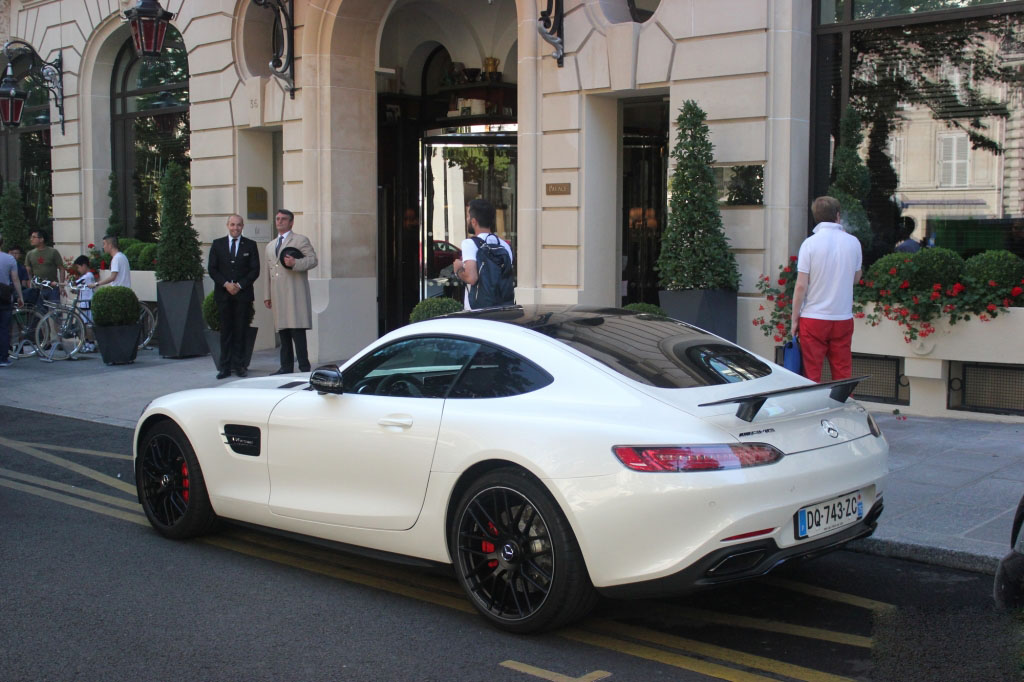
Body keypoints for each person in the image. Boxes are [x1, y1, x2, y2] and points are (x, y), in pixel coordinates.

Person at [790, 196, 863, 383]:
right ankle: (844, 407)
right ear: (838, 216)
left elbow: (800, 286)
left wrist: (794, 319)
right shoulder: (853, 242)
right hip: (842, 317)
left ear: (816, 217)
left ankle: (813, 409)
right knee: (842, 372)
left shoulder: (810, 244)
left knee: (811, 375)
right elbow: (856, 278)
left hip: (813, 317)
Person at [264, 209, 318, 374]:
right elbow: (268, 271)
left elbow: (313, 260)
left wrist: (295, 262)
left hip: (295, 293)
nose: (279, 221)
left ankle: (304, 367)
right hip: (278, 294)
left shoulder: (300, 240)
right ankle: (285, 367)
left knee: (297, 333)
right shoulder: (270, 245)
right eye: (278, 218)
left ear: (291, 222)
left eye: (283, 219)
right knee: (283, 333)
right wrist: (267, 295)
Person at [209, 214, 260, 379]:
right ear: (227, 225)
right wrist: (226, 284)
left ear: (242, 226)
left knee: (240, 331)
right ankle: (224, 367)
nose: (235, 228)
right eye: (232, 225)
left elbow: (255, 270)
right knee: (225, 332)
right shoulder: (218, 244)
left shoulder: (251, 245)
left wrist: (239, 285)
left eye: (238, 225)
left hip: (242, 295)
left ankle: (240, 366)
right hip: (223, 295)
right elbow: (212, 269)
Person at [451, 198, 514, 310]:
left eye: (468, 216)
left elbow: (472, 278)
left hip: (477, 311)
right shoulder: (505, 246)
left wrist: (458, 269)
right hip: (503, 309)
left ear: (474, 221)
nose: (467, 220)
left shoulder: (469, 243)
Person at [0, 235, 25, 367]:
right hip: (4, 295)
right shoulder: (9, 259)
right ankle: (3, 358)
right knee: (4, 328)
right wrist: (20, 296)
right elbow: (15, 279)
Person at [25, 229, 64, 302]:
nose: (31, 239)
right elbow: (28, 271)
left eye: (34, 237)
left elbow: (61, 268)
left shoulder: (53, 252)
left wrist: (61, 286)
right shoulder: (30, 254)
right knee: (40, 312)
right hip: (38, 288)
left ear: (41, 239)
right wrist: (30, 286)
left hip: (52, 287)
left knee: (55, 311)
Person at [71, 255, 97, 353]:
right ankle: (86, 343)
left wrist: (60, 284)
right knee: (83, 324)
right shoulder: (86, 277)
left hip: (87, 304)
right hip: (84, 304)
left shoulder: (88, 276)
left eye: (78, 267)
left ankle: (91, 344)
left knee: (87, 325)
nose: (78, 270)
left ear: (84, 265)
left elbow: (76, 284)